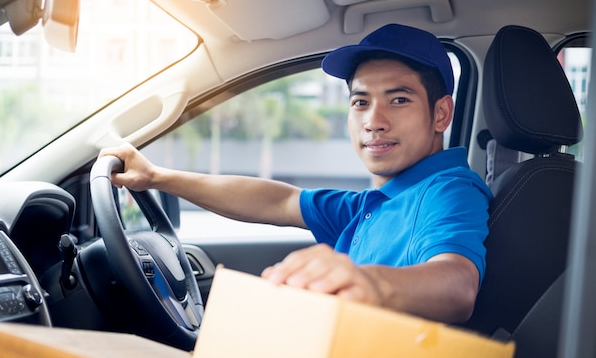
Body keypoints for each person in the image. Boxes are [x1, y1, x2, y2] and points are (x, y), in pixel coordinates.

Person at [99, 23, 492, 324]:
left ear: (441, 113)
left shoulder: (448, 190)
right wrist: (156, 177)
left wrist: (368, 282)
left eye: (399, 99)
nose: (374, 121)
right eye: (360, 102)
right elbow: (280, 200)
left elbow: (457, 283)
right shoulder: (373, 204)